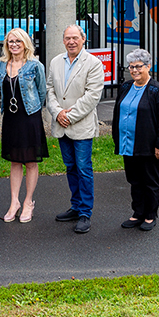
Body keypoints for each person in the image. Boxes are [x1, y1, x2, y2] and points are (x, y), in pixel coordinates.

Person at [47, 24, 105, 234]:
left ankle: (85, 213)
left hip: (80, 125)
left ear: (83, 39)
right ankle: (76, 206)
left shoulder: (93, 64)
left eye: (75, 38)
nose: (71, 41)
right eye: (67, 38)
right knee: (70, 167)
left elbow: (92, 96)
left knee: (83, 169)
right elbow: (50, 90)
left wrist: (69, 117)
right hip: (61, 124)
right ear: (63, 40)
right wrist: (57, 113)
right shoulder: (55, 62)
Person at [111, 48, 159, 232]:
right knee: (134, 180)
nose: (134, 70)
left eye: (138, 66)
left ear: (148, 66)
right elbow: (117, 112)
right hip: (128, 144)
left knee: (150, 181)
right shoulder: (126, 87)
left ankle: (150, 215)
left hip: (149, 146)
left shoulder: (157, 90)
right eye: (131, 67)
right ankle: (138, 213)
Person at [0, 28, 48, 224]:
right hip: (11, 118)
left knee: (31, 161)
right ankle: (14, 202)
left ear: (25, 43)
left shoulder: (35, 65)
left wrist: (33, 111)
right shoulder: (2, 64)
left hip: (29, 117)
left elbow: (41, 92)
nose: (14, 44)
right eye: (11, 41)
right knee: (15, 161)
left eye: (18, 41)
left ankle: (28, 202)